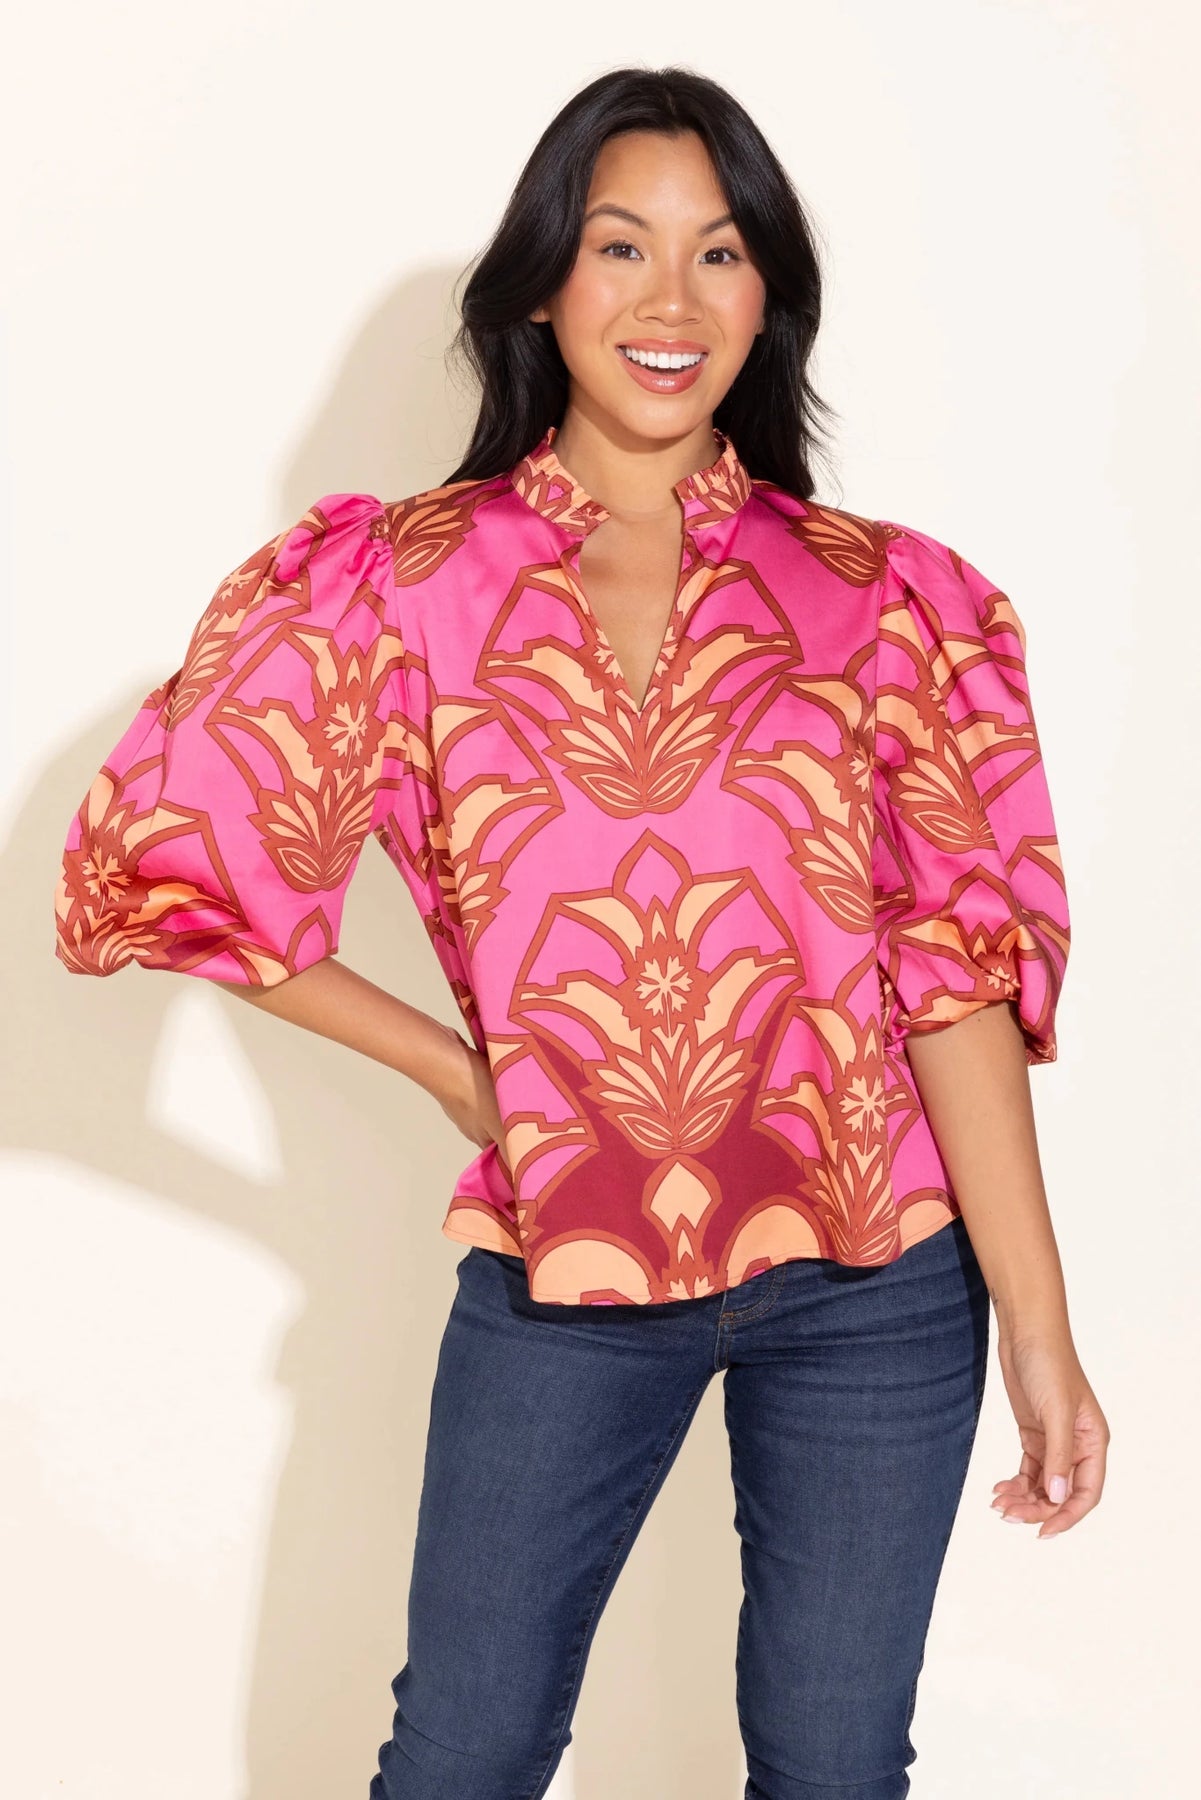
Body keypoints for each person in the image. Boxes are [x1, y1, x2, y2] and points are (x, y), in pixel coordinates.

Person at [53, 64, 1108, 1800]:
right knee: (461, 1758)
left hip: (876, 1281)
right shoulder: (393, 583)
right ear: (543, 281)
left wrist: (1038, 1332)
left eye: (719, 252)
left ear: (767, 297)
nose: (669, 298)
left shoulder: (883, 597)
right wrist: (451, 1070)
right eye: (621, 245)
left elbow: (953, 984)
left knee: (836, 1767)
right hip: (566, 1264)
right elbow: (163, 862)